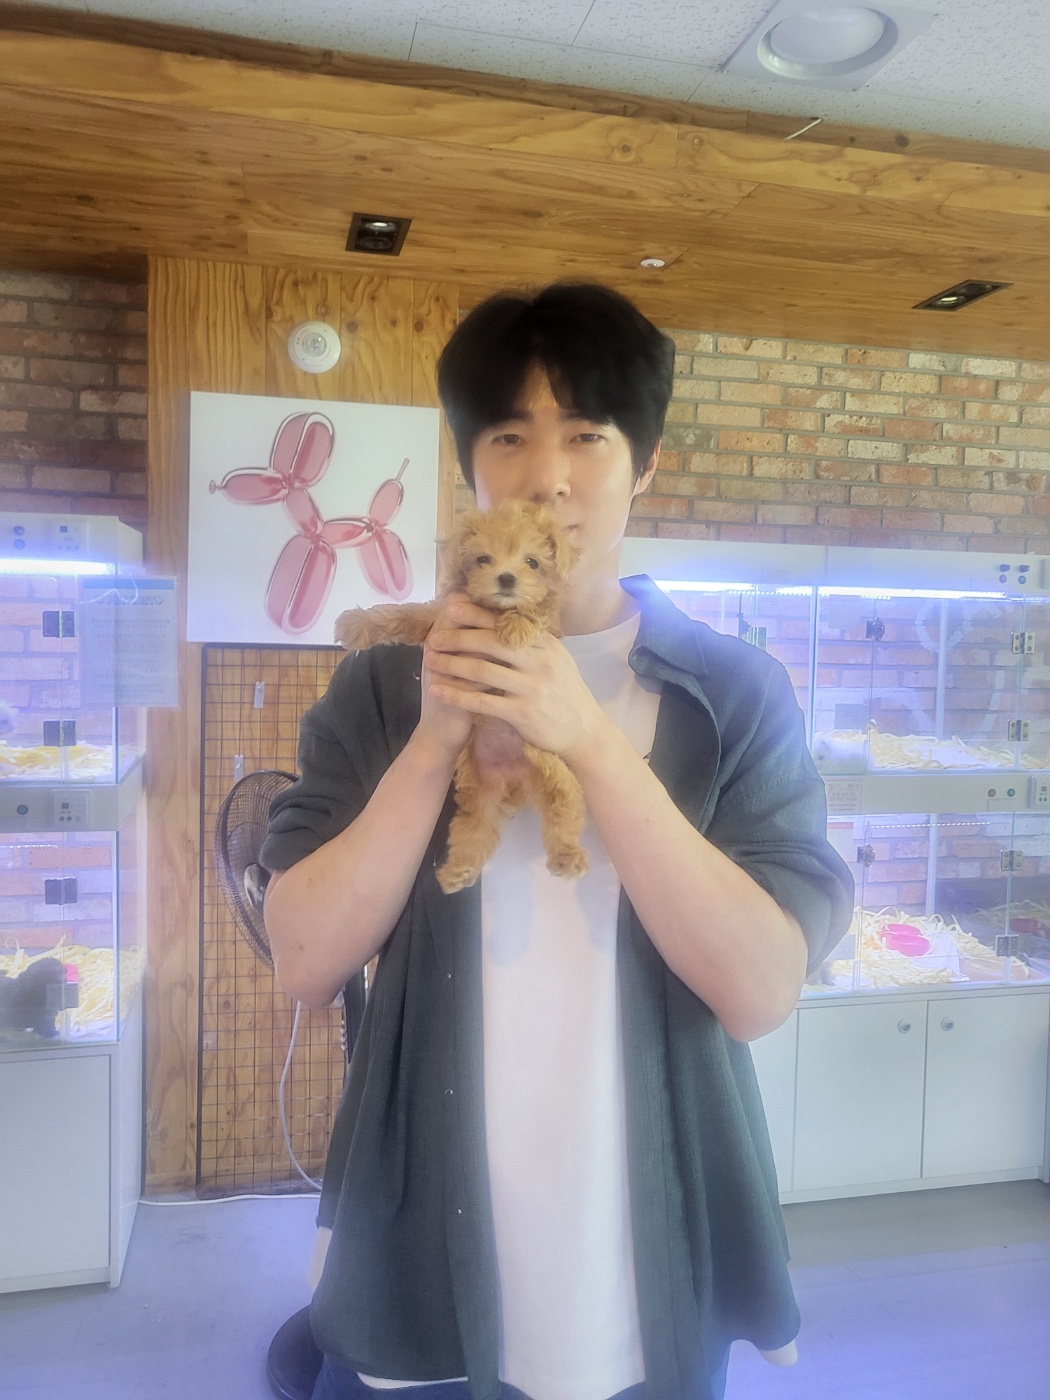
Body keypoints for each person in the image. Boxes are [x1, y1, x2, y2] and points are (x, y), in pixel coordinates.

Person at [261, 282, 855, 1400]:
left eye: (587, 435)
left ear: (645, 463)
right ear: (471, 471)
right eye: (508, 436)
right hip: (421, 1221)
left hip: (645, 1235)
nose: (549, 475)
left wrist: (586, 735)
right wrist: (434, 739)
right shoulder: (380, 688)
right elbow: (303, 957)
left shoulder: (734, 692)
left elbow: (760, 989)